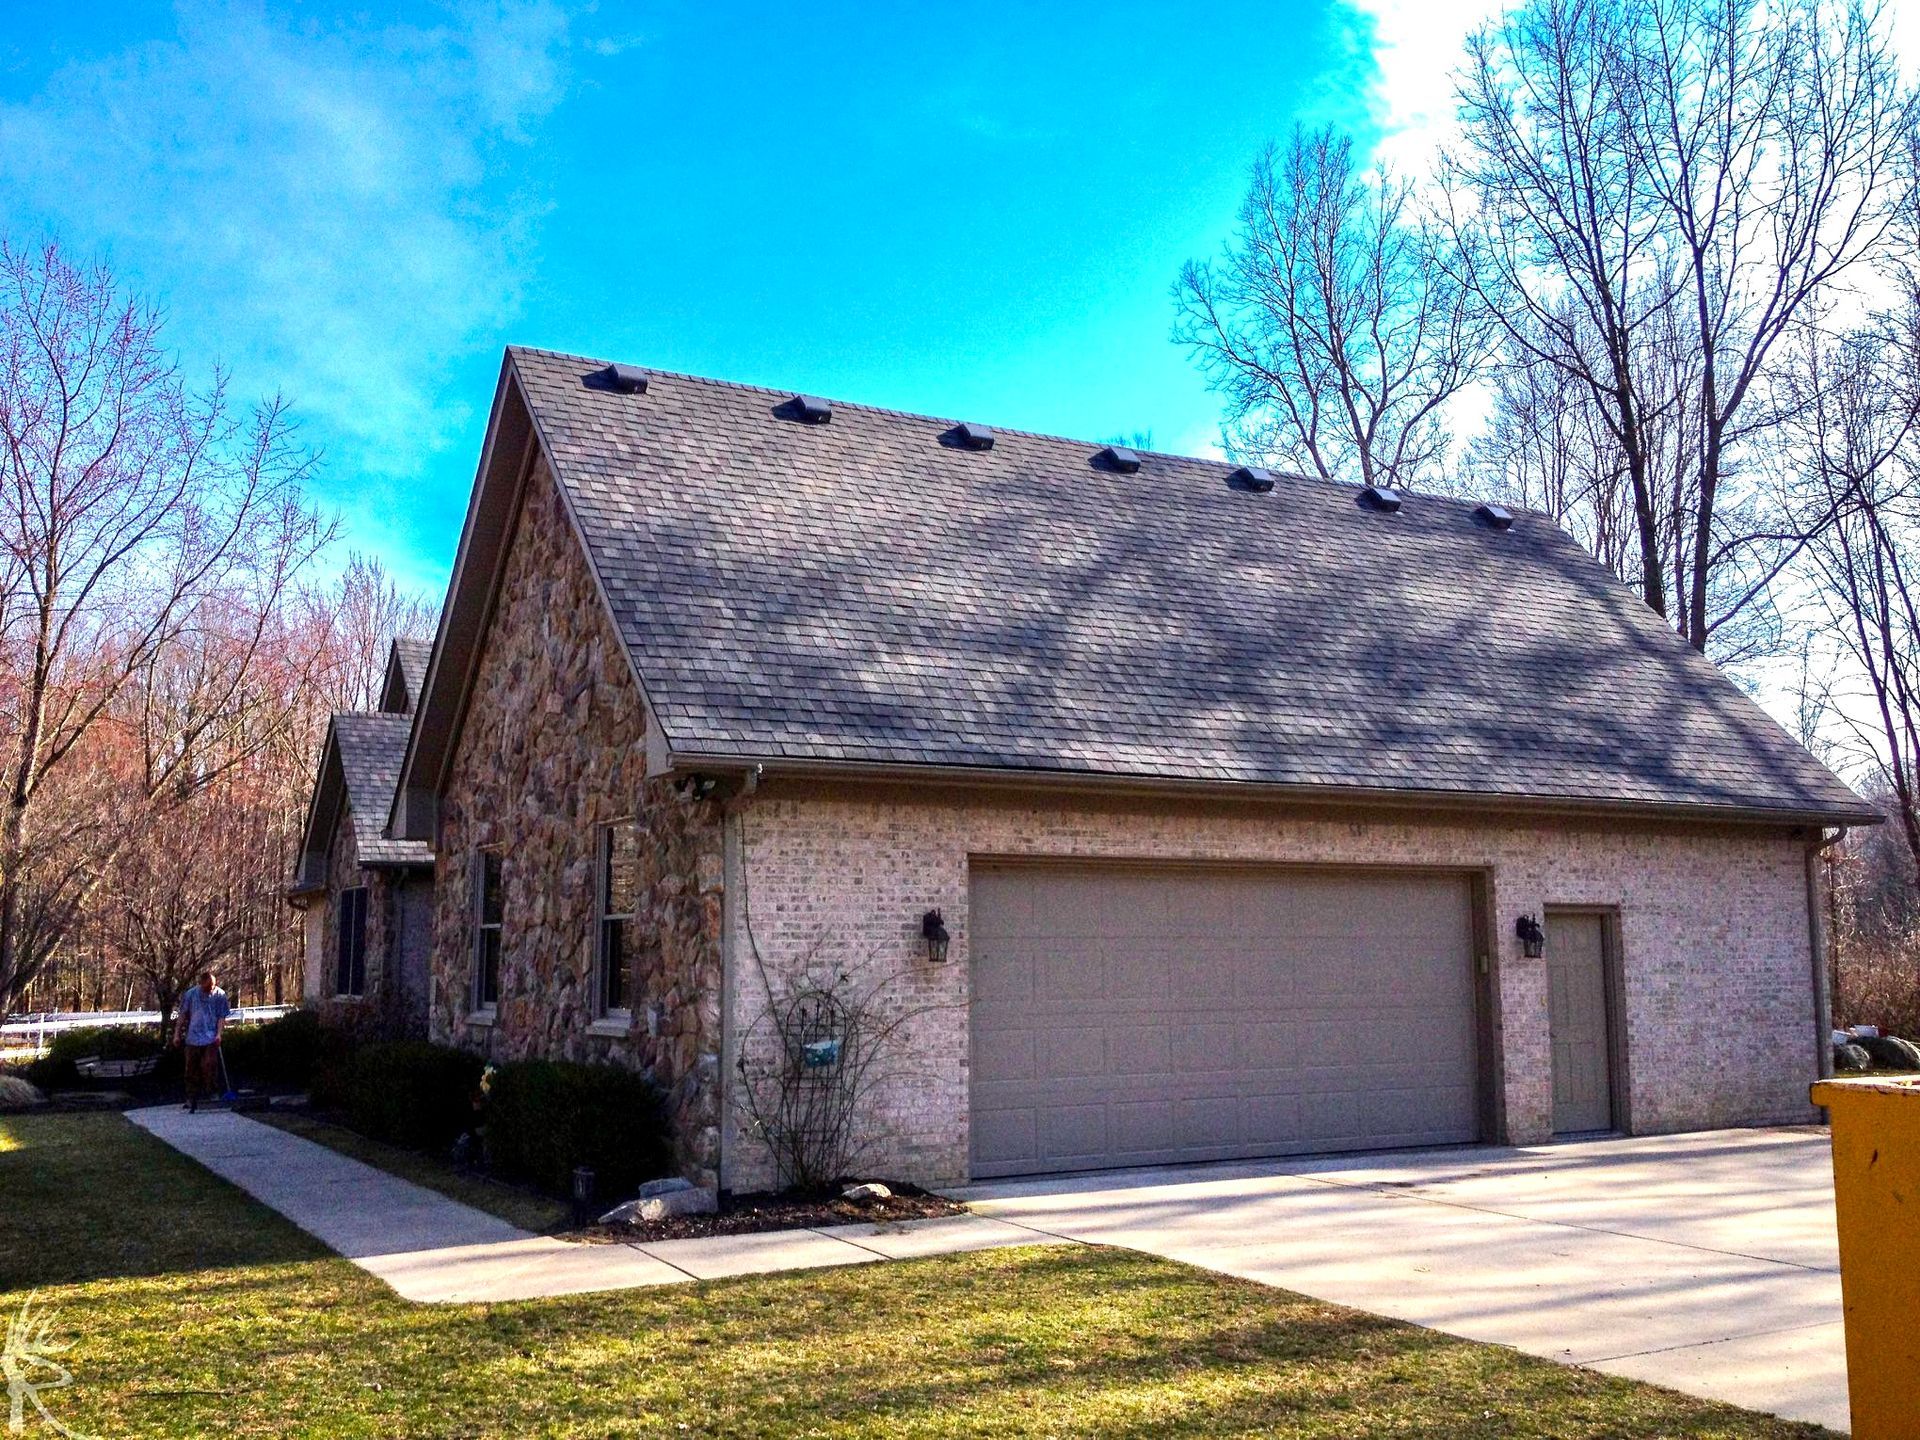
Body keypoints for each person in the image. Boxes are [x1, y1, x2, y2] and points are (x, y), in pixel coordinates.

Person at [175, 969, 231, 1112]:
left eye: (213, 985)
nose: (211, 988)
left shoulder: (220, 995)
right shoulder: (191, 995)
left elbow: (221, 1017)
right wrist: (177, 1034)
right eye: (208, 986)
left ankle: (211, 1092)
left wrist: (219, 1034)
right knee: (190, 1069)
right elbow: (182, 1015)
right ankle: (191, 1097)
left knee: (209, 1065)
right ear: (201, 983)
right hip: (193, 1037)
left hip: (210, 1036)